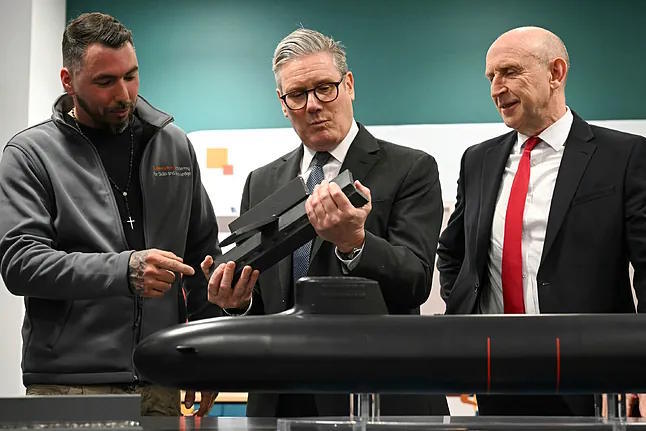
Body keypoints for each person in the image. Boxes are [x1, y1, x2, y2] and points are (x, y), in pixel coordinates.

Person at [0, 12, 257, 416]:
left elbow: (202, 259)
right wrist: (125, 270)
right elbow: (21, 264)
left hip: (161, 383)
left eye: (131, 76)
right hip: (69, 387)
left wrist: (210, 358)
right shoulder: (30, 155)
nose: (124, 94)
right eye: (105, 82)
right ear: (68, 81)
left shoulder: (173, 144)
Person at [202, 28, 448, 418]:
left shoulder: (411, 168)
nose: (313, 105)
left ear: (348, 85)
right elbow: (264, 302)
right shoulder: (261, 182)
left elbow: (415, 281)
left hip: (376, 396)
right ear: (282, 103)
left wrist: (355, 243)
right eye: (298, 95)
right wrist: (238, 303)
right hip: (280, 399)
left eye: (325, 88)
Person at [437, 26, 646, 416]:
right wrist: (465, 311)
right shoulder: (477, 160)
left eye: (510, 72)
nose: (496, 88)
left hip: (593, 371)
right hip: (495, 370)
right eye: (491, 77)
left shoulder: (624, 155)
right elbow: (452, 252)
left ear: (556, 73)